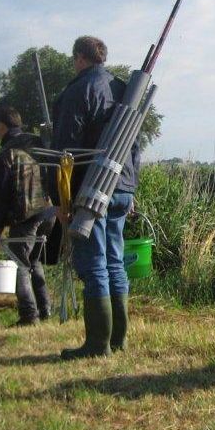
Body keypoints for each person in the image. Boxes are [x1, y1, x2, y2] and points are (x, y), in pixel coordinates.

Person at [51, 36, 140, 360]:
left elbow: (66, 149)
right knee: (115, 262)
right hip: (123, 185)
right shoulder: (124, 89)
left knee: (94, 265)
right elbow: (135, 145)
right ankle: (118, 340)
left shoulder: (78, 90)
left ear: (79, 58)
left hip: (92, 190)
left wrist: (61, 199)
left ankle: (97, 344)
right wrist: (131, 189)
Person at [0, 106, 56, 326]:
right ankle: (45, 309)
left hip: (26, 216)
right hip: (49, 212)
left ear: (2, 126)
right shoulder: (38, 143)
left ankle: (28, 315)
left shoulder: (5, 154)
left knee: (19, 264)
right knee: (33, 261)